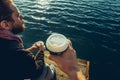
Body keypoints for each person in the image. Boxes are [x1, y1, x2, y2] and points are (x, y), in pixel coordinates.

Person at [0, 0, 86, 80]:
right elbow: (35, 69)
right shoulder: (18, 53)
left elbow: (12, 58)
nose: (22, 16)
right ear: (5, 24)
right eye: (17, 16)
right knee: (48, 70)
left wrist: (31, 49)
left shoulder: (9, 48)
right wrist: (73, 70)